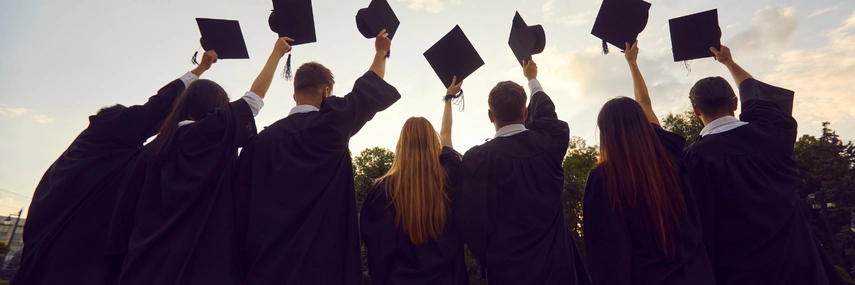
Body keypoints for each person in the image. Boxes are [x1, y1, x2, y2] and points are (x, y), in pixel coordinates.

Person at [12, 51, 216, 285]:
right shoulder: (110, 126)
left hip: (49, 254)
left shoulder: (85, 155)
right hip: (74, 256)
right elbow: (156, 108)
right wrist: (198, 71)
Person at [116, 37, 292, 285]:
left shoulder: (150, 151)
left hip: (145, 265)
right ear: (216, 109)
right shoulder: (213, 133)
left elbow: (125, 215)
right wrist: (276, 54)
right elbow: (255, 98)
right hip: (204, 264)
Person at [236, 29, 400, 285]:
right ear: (326, 93)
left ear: (294, 95)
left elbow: (239, 211)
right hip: (326, 270)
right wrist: (381, 53)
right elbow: (368, 91)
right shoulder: (330, 128)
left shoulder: (258, 144)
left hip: (266, 270)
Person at [683, 45, 844, 284]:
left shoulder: (694, 160)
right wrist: (728, 62)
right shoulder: (775, 133)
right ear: (735, 103)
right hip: (803, 268)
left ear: (696, 110)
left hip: (743, 274)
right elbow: (755, 94)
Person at [582, 41, 715, 285]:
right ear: (642, 125)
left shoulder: (603, 179)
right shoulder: (669, 155)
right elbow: (645, 105)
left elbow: (607, 254)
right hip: (696, 276)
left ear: (605, 134)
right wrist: (632, 63)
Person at [455, 57, 589, 285]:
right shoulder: (549, 144)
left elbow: (472, 223)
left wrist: (488, 258)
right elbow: (546, 114)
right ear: (526, 113)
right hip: (558, 272)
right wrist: (532, 79)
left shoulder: (477, 160)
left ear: (490, 116)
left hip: (507, 272)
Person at [360, 76, 468, 285]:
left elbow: (378, 253)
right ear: (432, 144)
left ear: (401, 145)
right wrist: (448, 99)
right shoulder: (448, 177)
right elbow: (446, 135)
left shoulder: (383, 191)